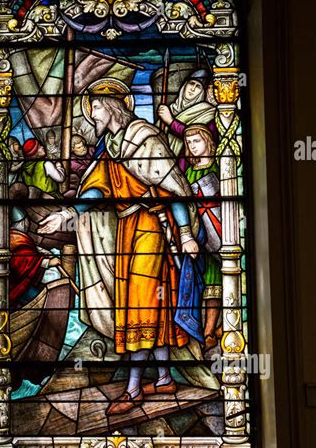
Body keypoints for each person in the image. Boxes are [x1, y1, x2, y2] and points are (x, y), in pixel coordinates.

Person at [38, 78, 207, 416]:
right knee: (148, 307)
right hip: (128, 230)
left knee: (139, 307)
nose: (93, 115)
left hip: (152, 230)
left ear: (111, 105)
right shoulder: (111, 146)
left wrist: (186, 233)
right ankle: (162, 379)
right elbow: (98, 191)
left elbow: (174, 188)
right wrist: (68, 215)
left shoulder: (145, 138)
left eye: (96, 107)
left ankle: (132, 389)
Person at [183, 124, 222, 352]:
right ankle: (207, 331)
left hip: (222, 231)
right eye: (189, 143)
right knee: (208, 286)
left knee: (223, 280)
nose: (192, 146)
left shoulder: (220, 165)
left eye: (196, 141)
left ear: (208, 140)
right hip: (201, 236)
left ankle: (220, 328)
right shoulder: (189, 172)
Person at [157, 69, 216, 166]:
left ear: (202, 92)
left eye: (198, 87)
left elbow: (204, 137)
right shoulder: (171, 110)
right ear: (185, 85)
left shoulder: (208, 113)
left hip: (187, 165)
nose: (192, 89)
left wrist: (171, 122)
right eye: (191, 83)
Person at [9, 207, 61, 308]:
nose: (27, 224)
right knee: (44, 303)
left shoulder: (14, 236)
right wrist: (48, 263)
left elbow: (28, 250)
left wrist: (43, 252)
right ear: (22, 223)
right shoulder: (16, 238)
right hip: (17, 287)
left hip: (19, 283)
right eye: (25, 221)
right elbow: (21, 260)